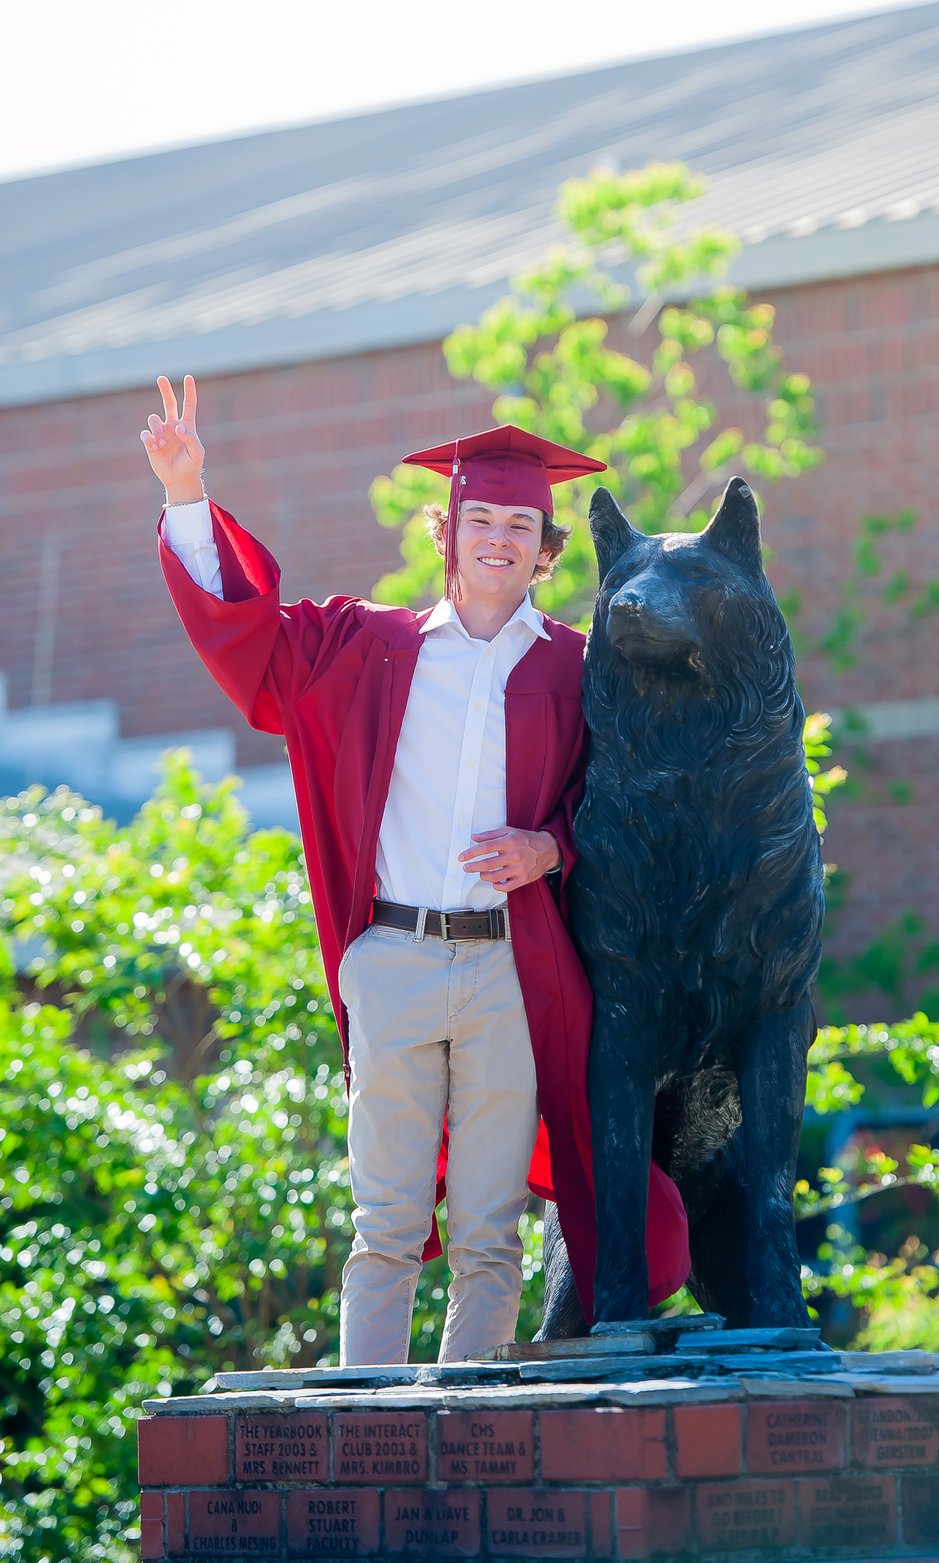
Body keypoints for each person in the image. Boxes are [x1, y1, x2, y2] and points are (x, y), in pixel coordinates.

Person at [140, 375, 688, 1364]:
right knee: (384, 1221)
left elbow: (635, 800)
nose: (500, 540)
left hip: (506, 974)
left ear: (546, 549)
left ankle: (466, 1436)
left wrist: (551, 847)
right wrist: (187, 495)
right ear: (449, 532)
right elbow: (251, 647)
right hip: (391, 956)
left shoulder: (578, 669)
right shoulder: (366, 646)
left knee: (490, 1232)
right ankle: (368, 1434)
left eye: (522, 526)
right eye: (481, 519)